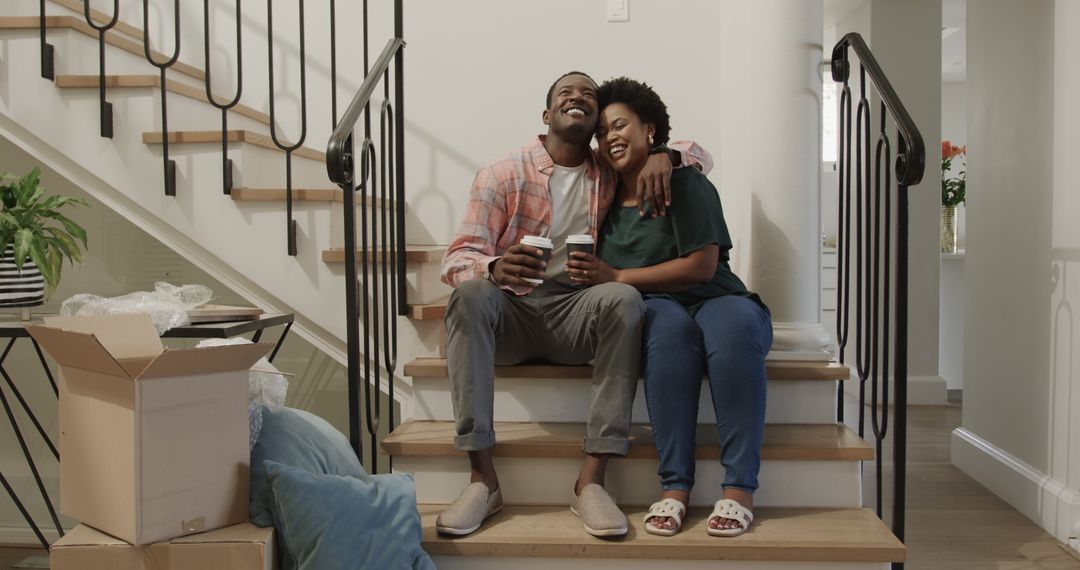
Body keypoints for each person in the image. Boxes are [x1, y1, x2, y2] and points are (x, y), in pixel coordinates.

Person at [436, 71, 712, 538]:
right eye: (567, 92)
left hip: (573, 311)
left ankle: (591, 482)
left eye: (588, 94)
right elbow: (458, 257)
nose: (579, 97)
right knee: (469, 293)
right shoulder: (502, 173)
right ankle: (483, 479)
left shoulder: (606, 170)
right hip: (512, 312)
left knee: (623, 297)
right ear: (547, 115)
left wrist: (666, 153)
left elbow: (701, 154)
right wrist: (494, 266)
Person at [567, 77, 771, 537]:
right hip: (660, 308)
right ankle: (675, 486)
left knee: (733, 327)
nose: (610, 137)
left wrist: (617, 276)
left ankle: (739, 487)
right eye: (602, 132)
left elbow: (702, 266)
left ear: (650, 130)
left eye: (620, 125)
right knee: (666, 332)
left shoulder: (685, 182)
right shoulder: (601, 200)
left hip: (718, 296)